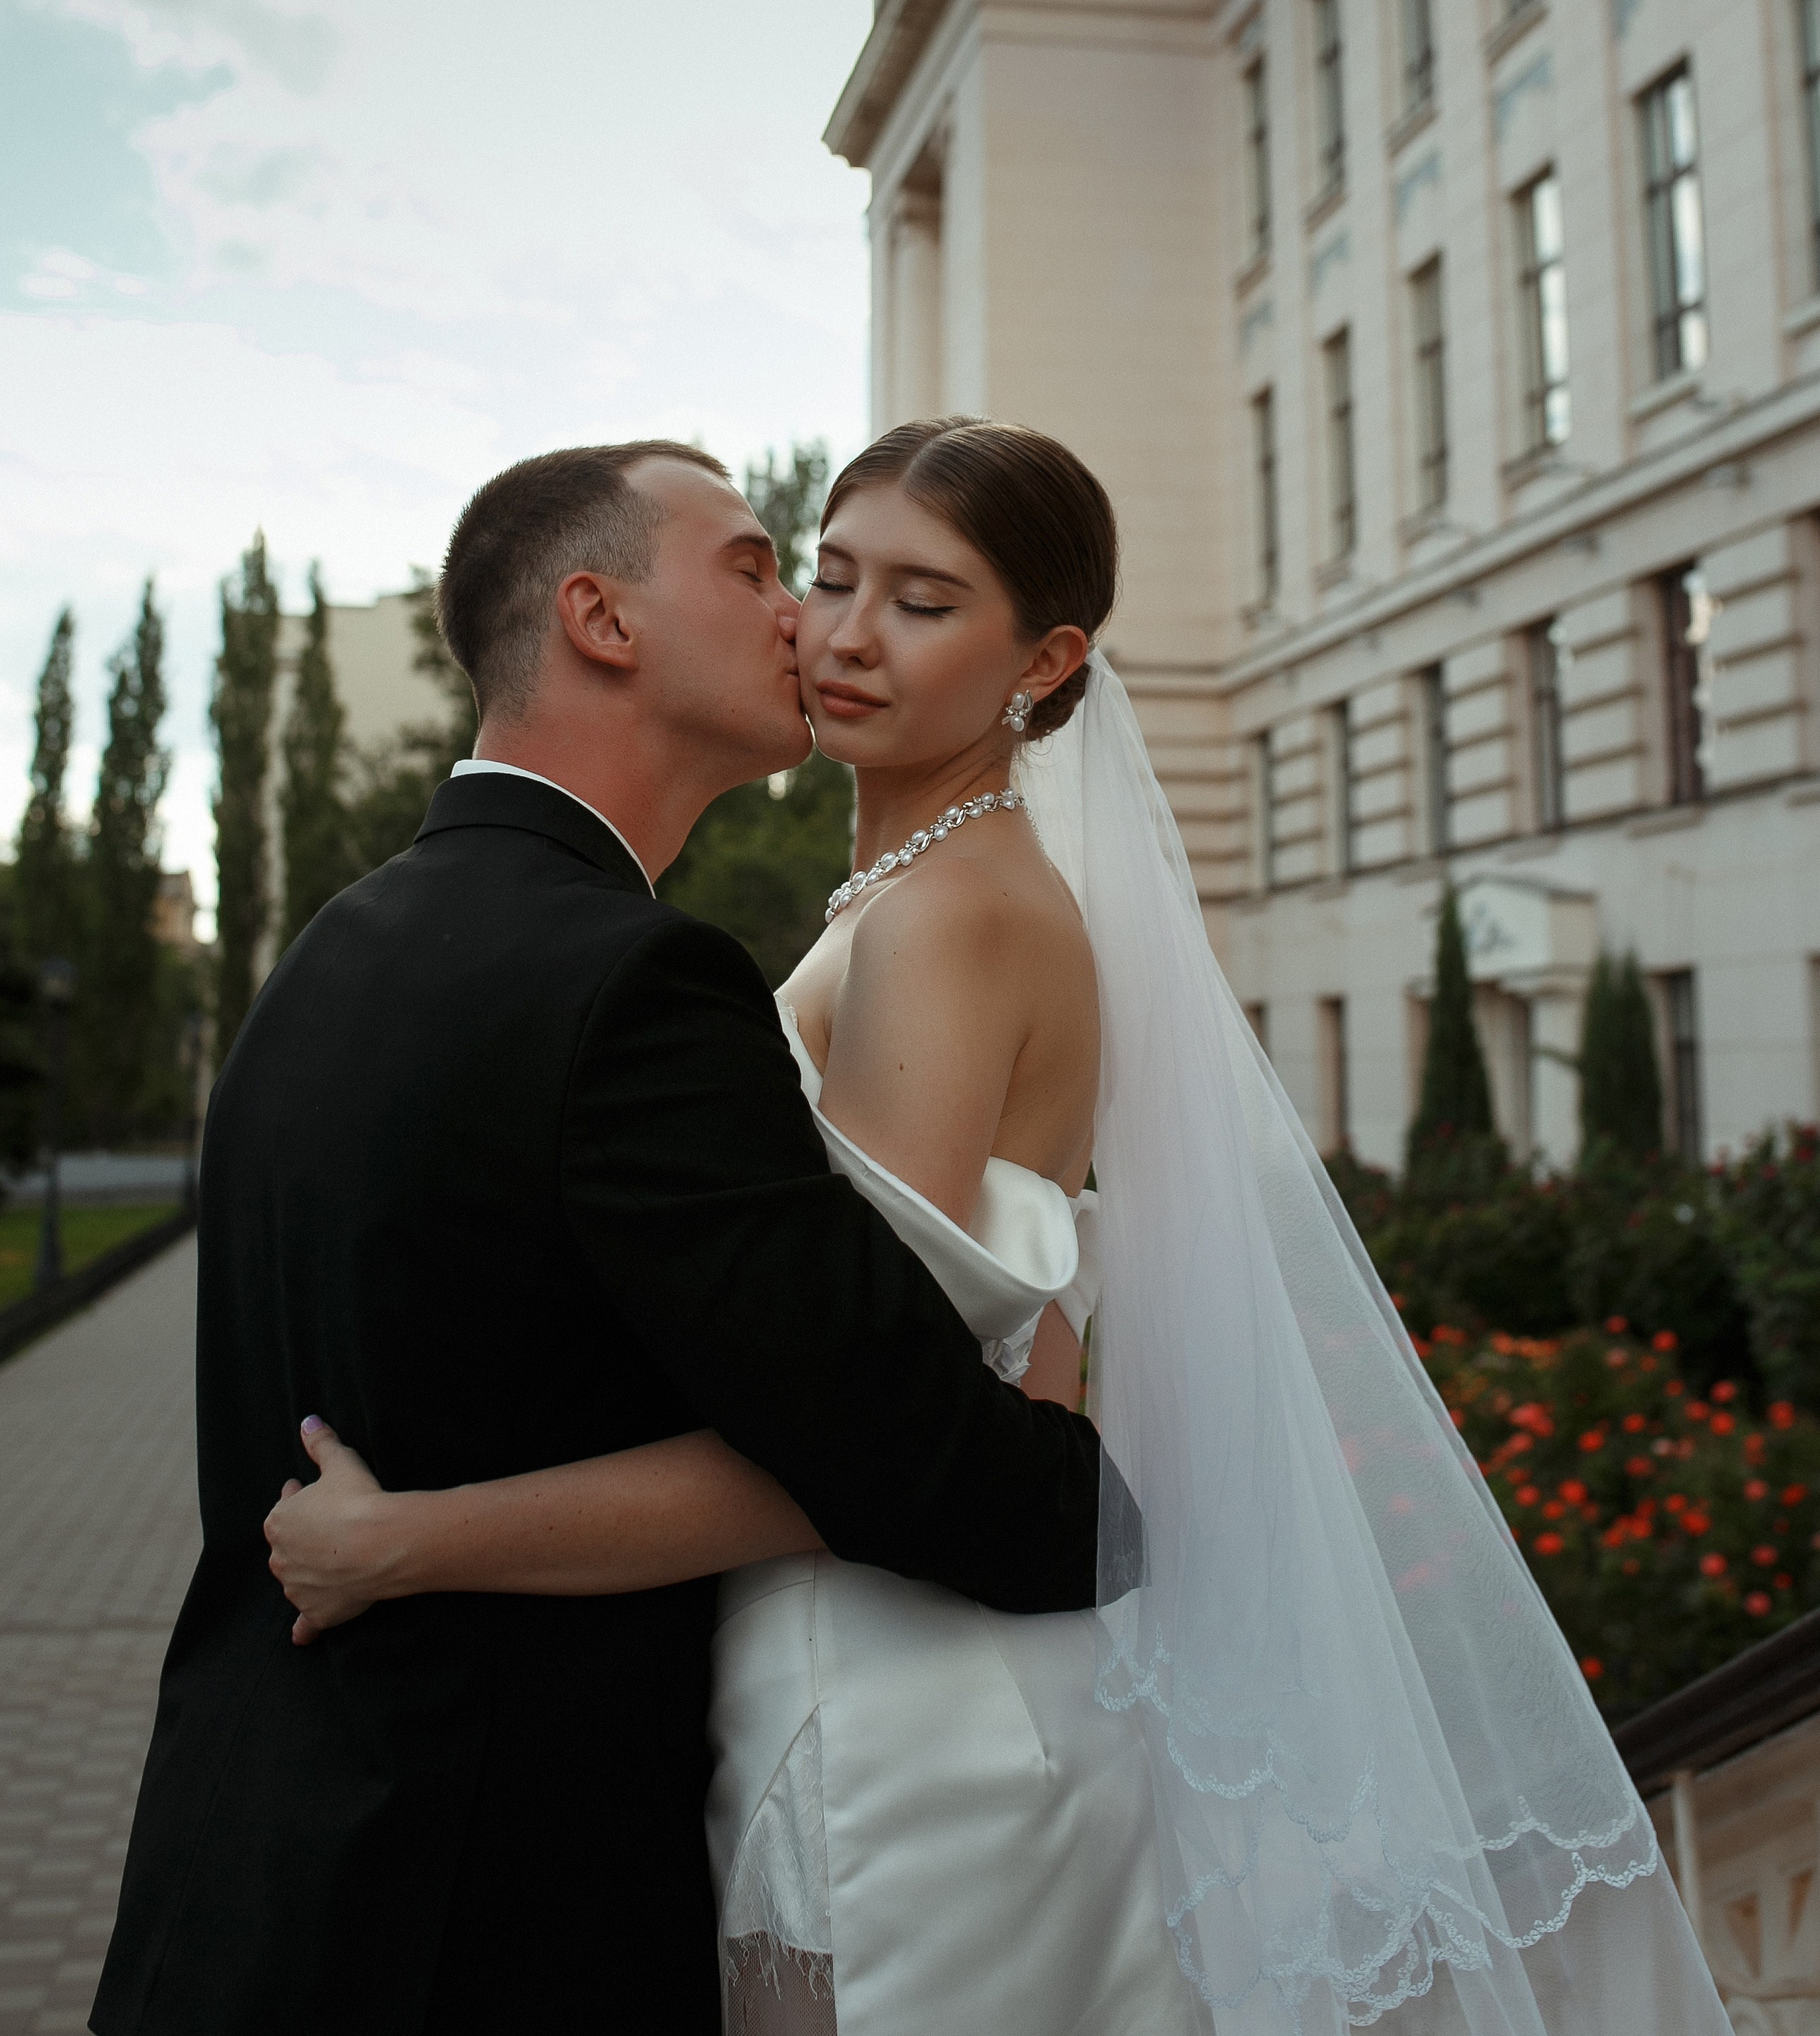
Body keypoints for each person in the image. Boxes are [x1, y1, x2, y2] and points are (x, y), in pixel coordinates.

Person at [267, 419, 1736, 2036]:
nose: (838, 635)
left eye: (921, 602)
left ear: (1041, 663)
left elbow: (877, 1435)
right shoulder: (909, 897)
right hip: (876, 1645)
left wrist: (412, 1543)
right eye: (823, 579)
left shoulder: (954, 919)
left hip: (897, 1690)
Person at [91, 440, 1103, 2036]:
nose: (809, 625)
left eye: (881, 592)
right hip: (473, 1909)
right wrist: (1065, 1478)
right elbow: (919, 1448)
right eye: (770, 570)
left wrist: (401, 1540)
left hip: (249, 1875)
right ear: (600, 620)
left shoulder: (330, 957)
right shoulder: (627, 983)